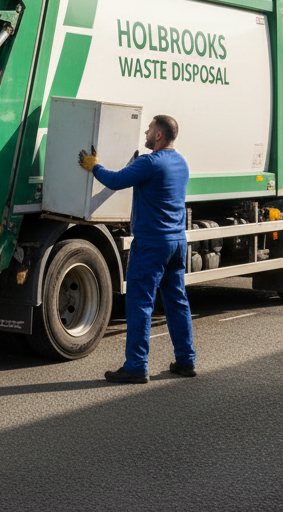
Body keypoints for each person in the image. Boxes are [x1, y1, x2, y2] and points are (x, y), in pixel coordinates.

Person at [79, 115, 195, 384]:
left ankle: (136, 366)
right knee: (177, 302)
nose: (145, 132)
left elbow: (116, 180)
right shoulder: (181, 162)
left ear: (159, 135)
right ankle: (186, 360)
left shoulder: (150, 163)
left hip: (152, 244)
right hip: (177, 242)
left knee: (140, 304)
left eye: (150, 128)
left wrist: (95, 166)